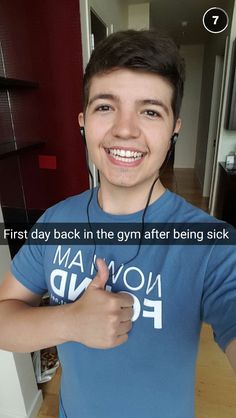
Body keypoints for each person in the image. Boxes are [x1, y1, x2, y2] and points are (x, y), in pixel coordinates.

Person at [0, 30, 235, 418]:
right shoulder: (56, 221)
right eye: (106, 107)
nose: (125, 129)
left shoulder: (212, 244)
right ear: (84, 121)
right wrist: (71, 321)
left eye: (150, 111)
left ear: (175, 127)